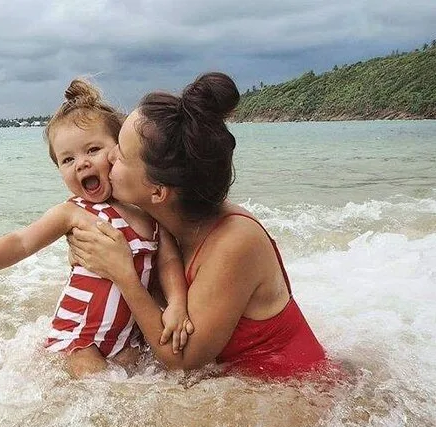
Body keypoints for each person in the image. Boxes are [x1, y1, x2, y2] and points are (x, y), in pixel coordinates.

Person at [68, 72, 331, 379]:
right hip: (244, 383)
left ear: (157, 192)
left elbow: (182, 358)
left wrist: (123, 274)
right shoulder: (165, 219)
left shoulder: (235, 241)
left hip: (300, 390)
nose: (110, 156)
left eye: (122, 155)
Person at [0, 78, 193, 378]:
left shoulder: (149, 213)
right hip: (79, 338)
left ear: (118, 151)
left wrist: (177, 304)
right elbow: (22, 241)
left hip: (126, 339)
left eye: (93, 149)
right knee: (98, 386)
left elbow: (168, 262)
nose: (81, 163)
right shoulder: (73, 212)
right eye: (67, 159)